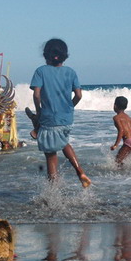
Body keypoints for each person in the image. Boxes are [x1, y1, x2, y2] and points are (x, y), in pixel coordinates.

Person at [30, 38, 91, 188]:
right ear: (64, 55)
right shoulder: (71, 72)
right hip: (67, 118)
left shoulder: (41, 71)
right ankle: (79, 171)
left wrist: (39, 112)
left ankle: (53, 190)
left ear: (46, 55)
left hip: (49, 119)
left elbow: (36, 95)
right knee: (63, 142)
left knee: (50, 155)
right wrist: (70, 106)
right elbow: (79, 95)